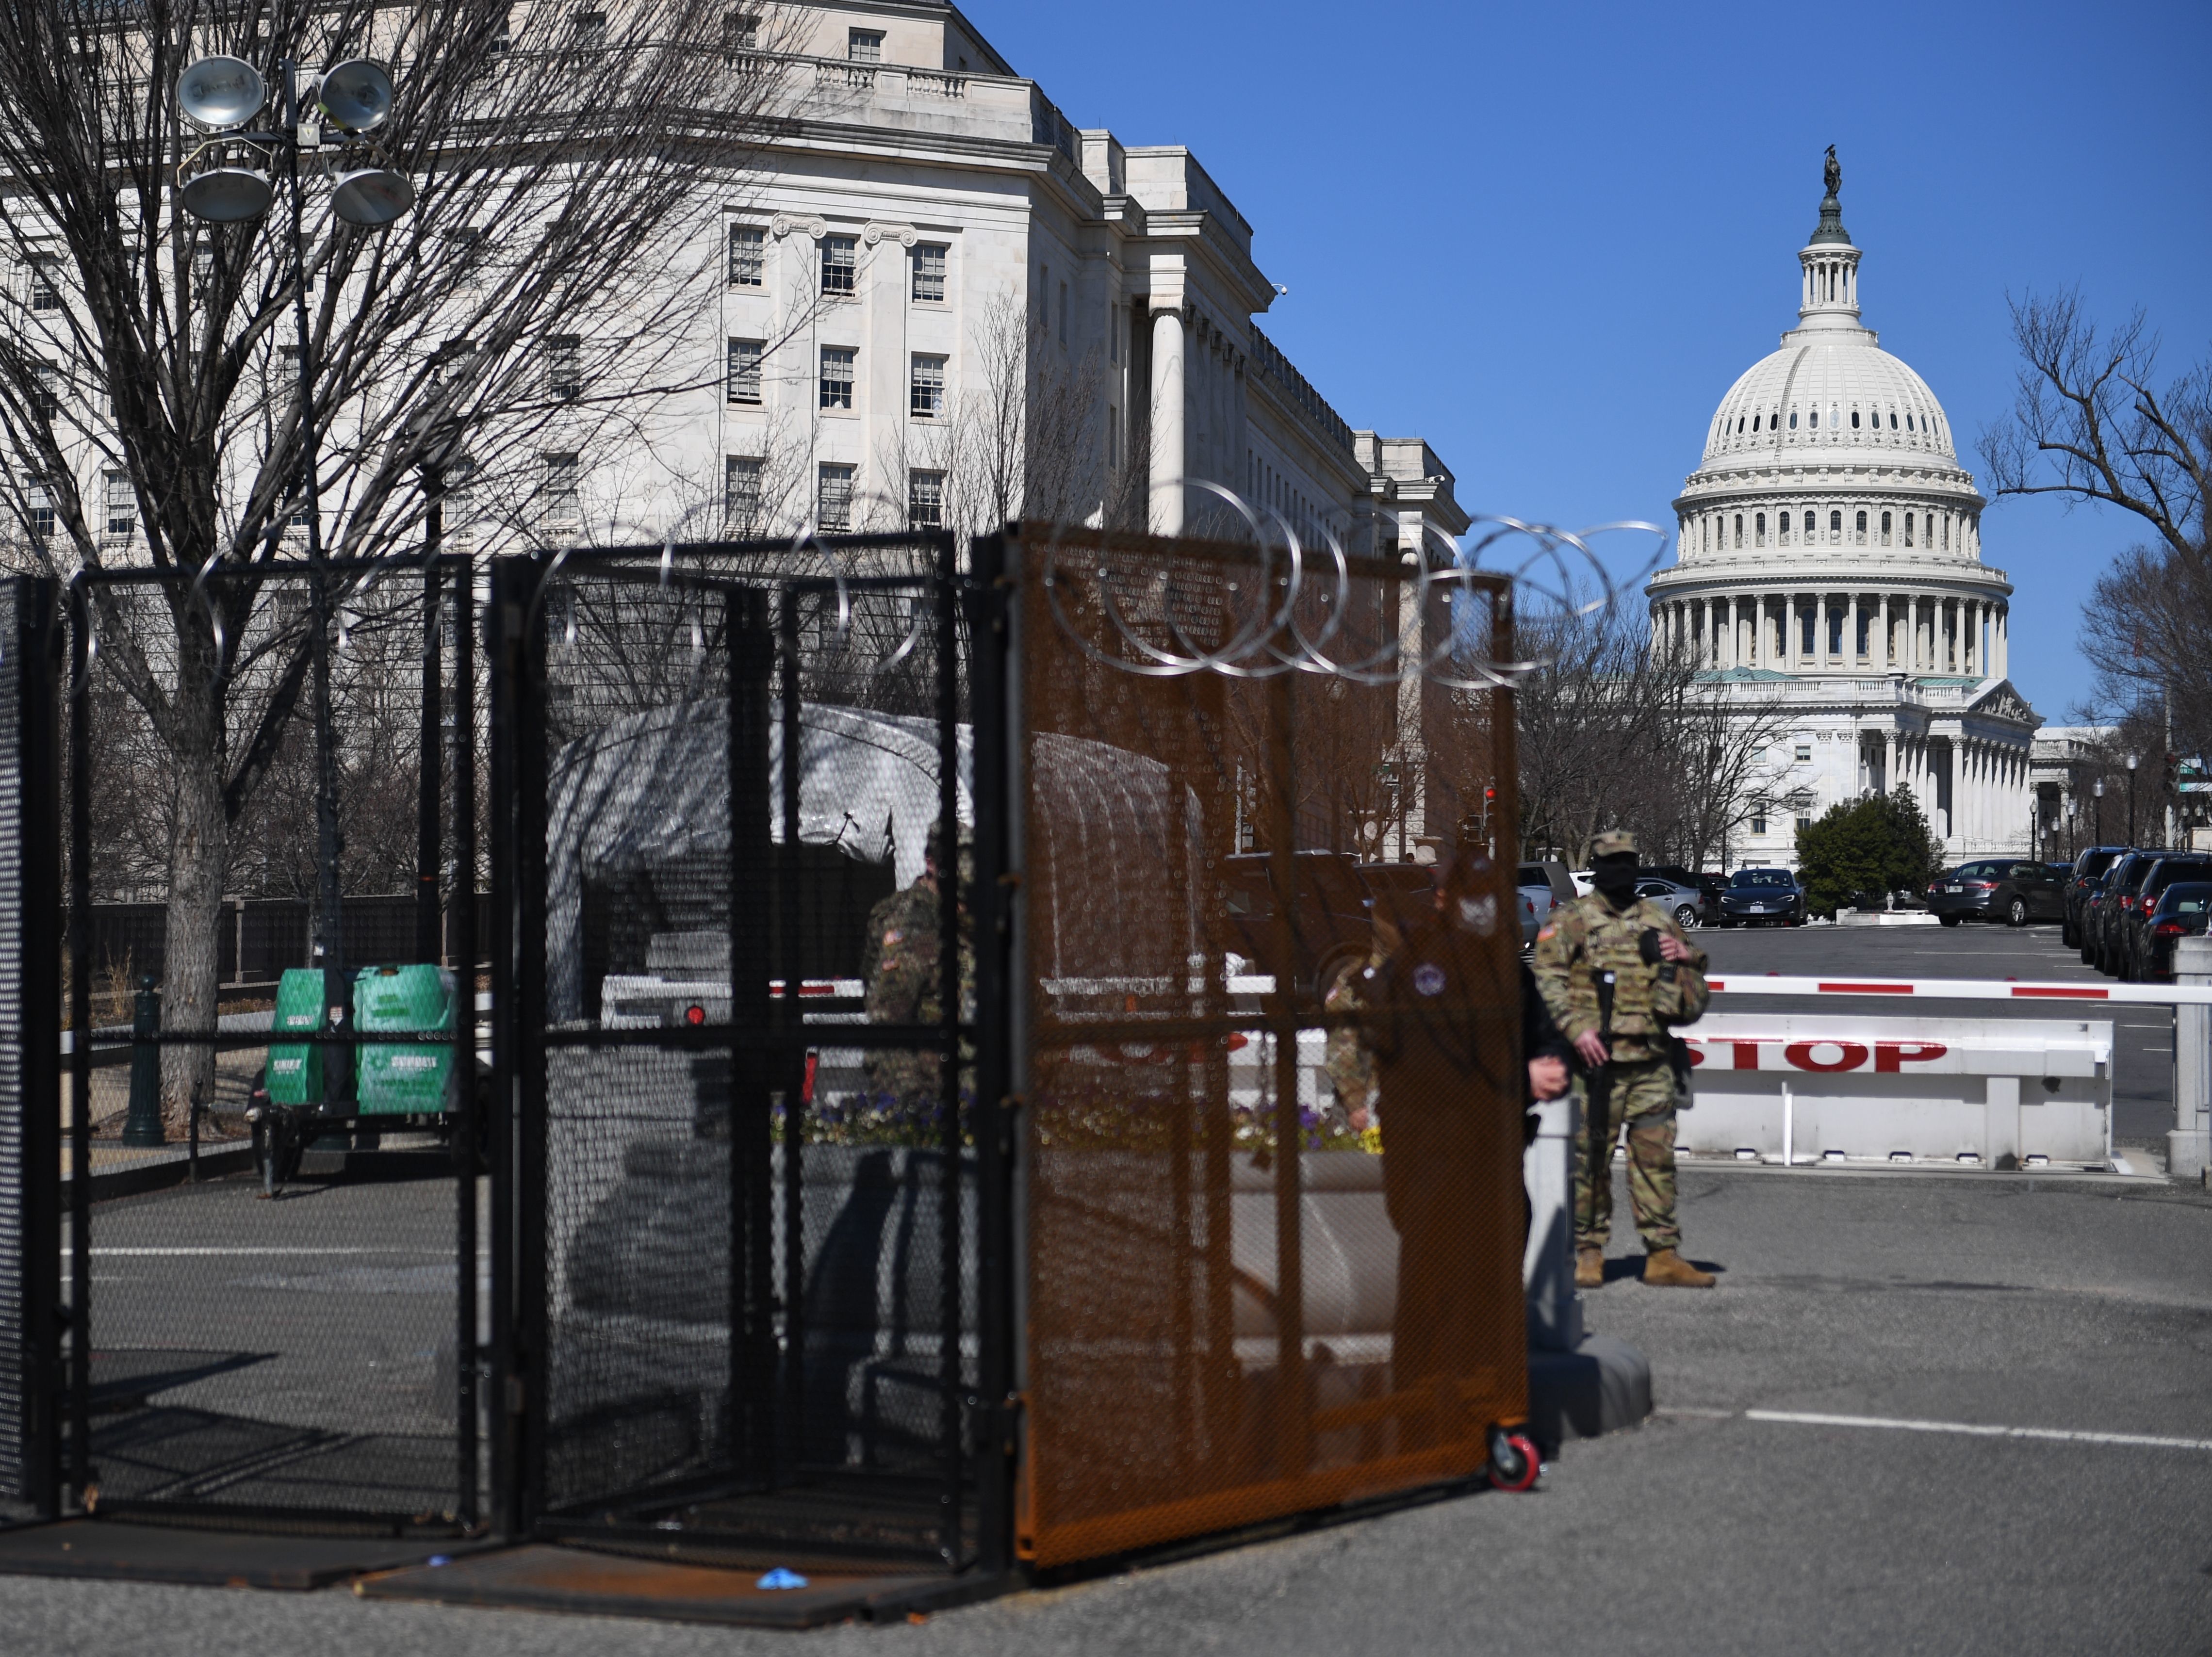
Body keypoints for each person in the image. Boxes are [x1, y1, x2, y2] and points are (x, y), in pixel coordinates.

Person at [1350, 851, 1522, 1430]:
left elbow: (1531, 1045)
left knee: (1486, 1291)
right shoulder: (1420, 964)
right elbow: (1414, 1059)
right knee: (1429, 1287)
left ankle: (1479, 1405)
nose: (1482, 906)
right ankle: (1421, 1417)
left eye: (1489, 894)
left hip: (1490, 1159)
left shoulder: (1500, 965)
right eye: (1468, 894)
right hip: (1434, 1158)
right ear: (1444, 900)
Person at [1531, 829, 1715, 1289]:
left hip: (1651, 1062)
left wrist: (1685, 952)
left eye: (1627, 862)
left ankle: (1662, 1255)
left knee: (1655, 1162)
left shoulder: (1656, 917)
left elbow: (1695, 966)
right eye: (1611, 863)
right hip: (1596, 1066)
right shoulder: (1573, 919)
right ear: (1597, 868)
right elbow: (1546, 976)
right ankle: (1588, 1253)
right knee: (1589, 1161)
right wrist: (1576, 1028)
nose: (1621, 871)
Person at [861, 821, 974, 1119]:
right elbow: (888, 1027)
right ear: (932, 863)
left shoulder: (972, 918)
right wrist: (912, 1106)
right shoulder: (912, 924)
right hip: (933, 1100)